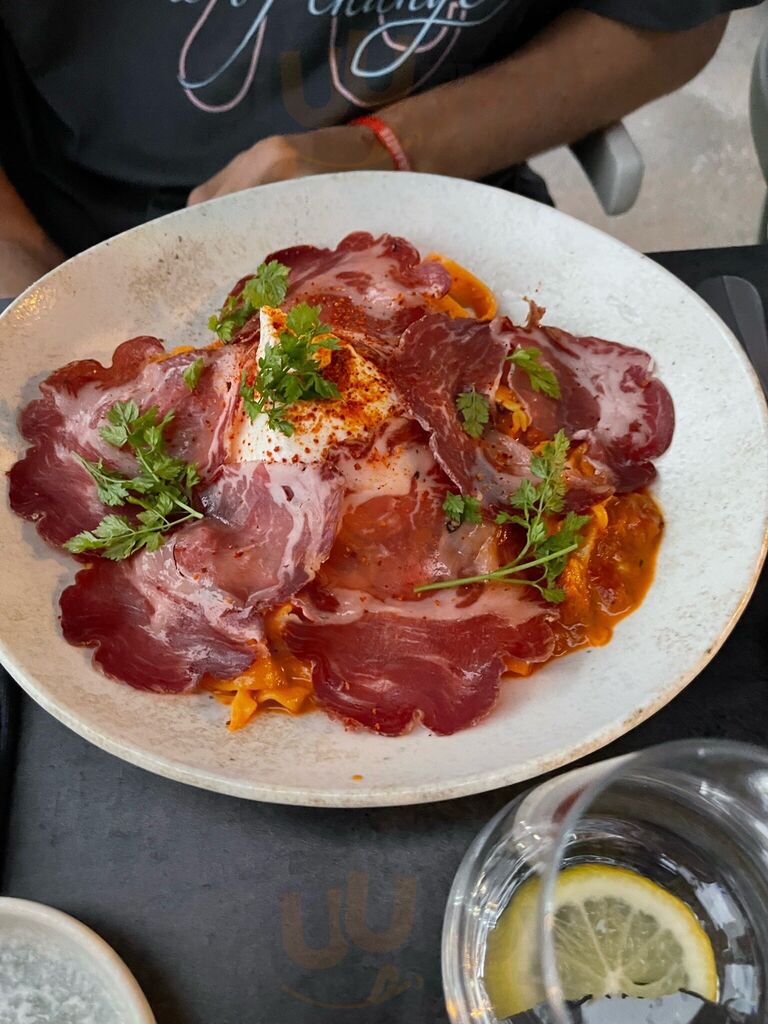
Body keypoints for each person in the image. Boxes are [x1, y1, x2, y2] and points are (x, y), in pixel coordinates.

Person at [0, 1, 757, 296]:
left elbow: (674, 22)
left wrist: (389, 151)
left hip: (442, 190)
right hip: (69, 225)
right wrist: (40, 296)